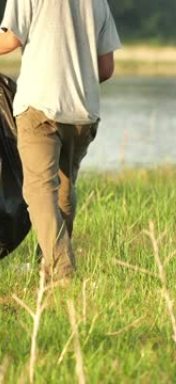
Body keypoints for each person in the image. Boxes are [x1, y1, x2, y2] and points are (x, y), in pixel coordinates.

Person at [0, 0, 121, 283]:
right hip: (83, 113)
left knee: (38, 189)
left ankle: (62, 270)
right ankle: (49, 268)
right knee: (64, 188)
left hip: (40, 106)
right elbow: (106, 68)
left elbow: (10, 39)